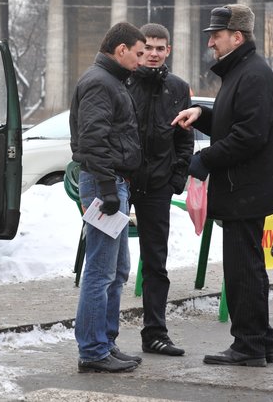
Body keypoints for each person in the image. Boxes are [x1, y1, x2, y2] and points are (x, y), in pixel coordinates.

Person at [172, 4, 273, 367]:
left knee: (242, 271)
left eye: (216, 37)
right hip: (243, 189)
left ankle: (248, 346)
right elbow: (237, 123)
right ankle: (262, 342)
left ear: (236, 37)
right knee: (248, 267)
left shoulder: (252, 74)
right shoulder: (244, 72)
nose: (211, 44)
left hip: (243, 190)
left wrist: (204, 160)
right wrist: (203, 115)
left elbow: (249, 135)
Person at [69, 22, 146, 373]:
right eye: (139, 53)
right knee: (100, 272)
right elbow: (93, 140)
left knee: (117, 270)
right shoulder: (100, 82)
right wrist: (104, 189)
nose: (142, 60)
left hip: (113, 182)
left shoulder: (111, 81)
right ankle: (93, 350)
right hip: (105, 183)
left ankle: (106, 343)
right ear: (121, 50)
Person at [126, 23, 193, 357]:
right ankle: (104, 337)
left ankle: (155, 333)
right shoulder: (123, 81)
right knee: (111, 264)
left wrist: (175, 180)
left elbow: (185, 138)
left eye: (159, 48)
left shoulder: (178, 88)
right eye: (148, 47)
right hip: (123, 185)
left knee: (156, 263)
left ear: (169, 51)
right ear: (139, 49)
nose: (153, 53)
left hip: (157, 187)